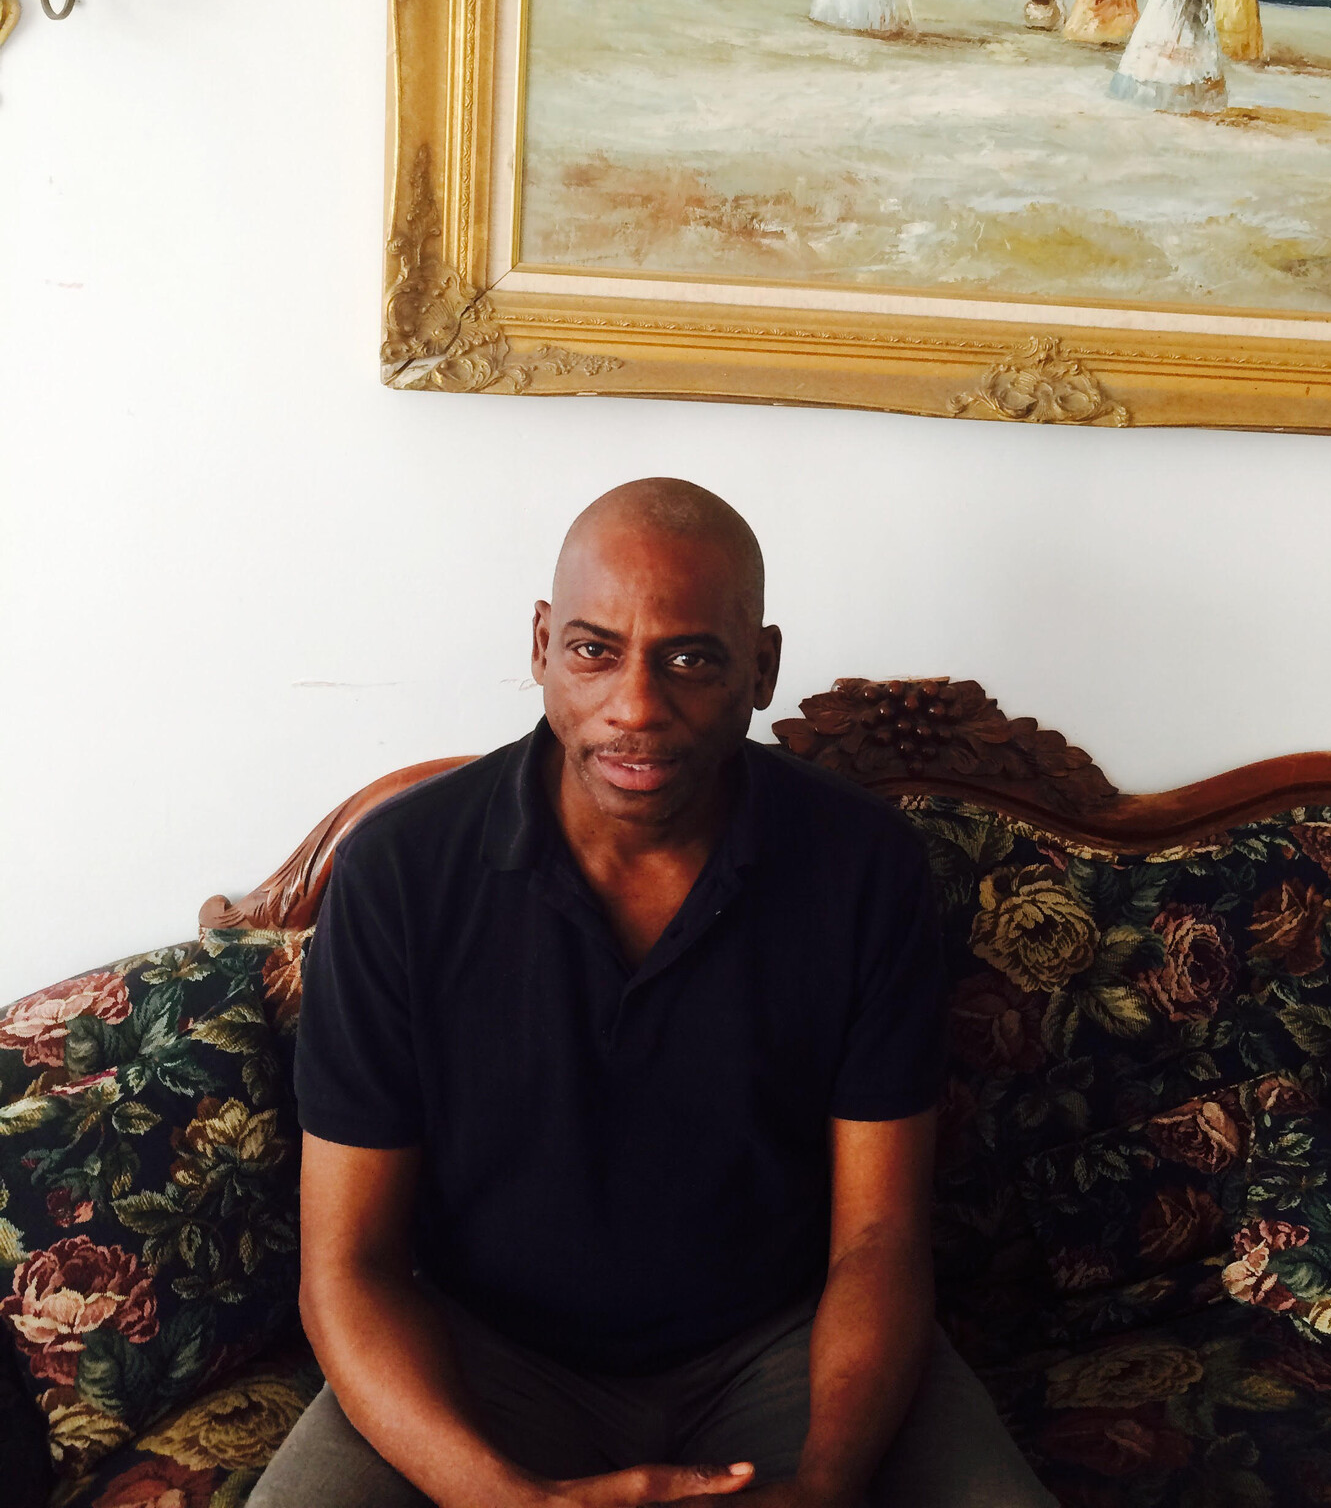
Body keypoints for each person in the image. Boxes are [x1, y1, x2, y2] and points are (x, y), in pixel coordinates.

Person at [251, 478, 1056, 1508]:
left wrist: (828, 1482)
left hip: (786, 1344)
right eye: (595, 650)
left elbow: (878, 1238)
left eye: (690, 659)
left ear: (761, 668)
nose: (635, 707)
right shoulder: (402, 870)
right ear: (542, 645)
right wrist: (505, 1498)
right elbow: (348, 1264)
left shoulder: (862, 866)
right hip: (482, 1352)